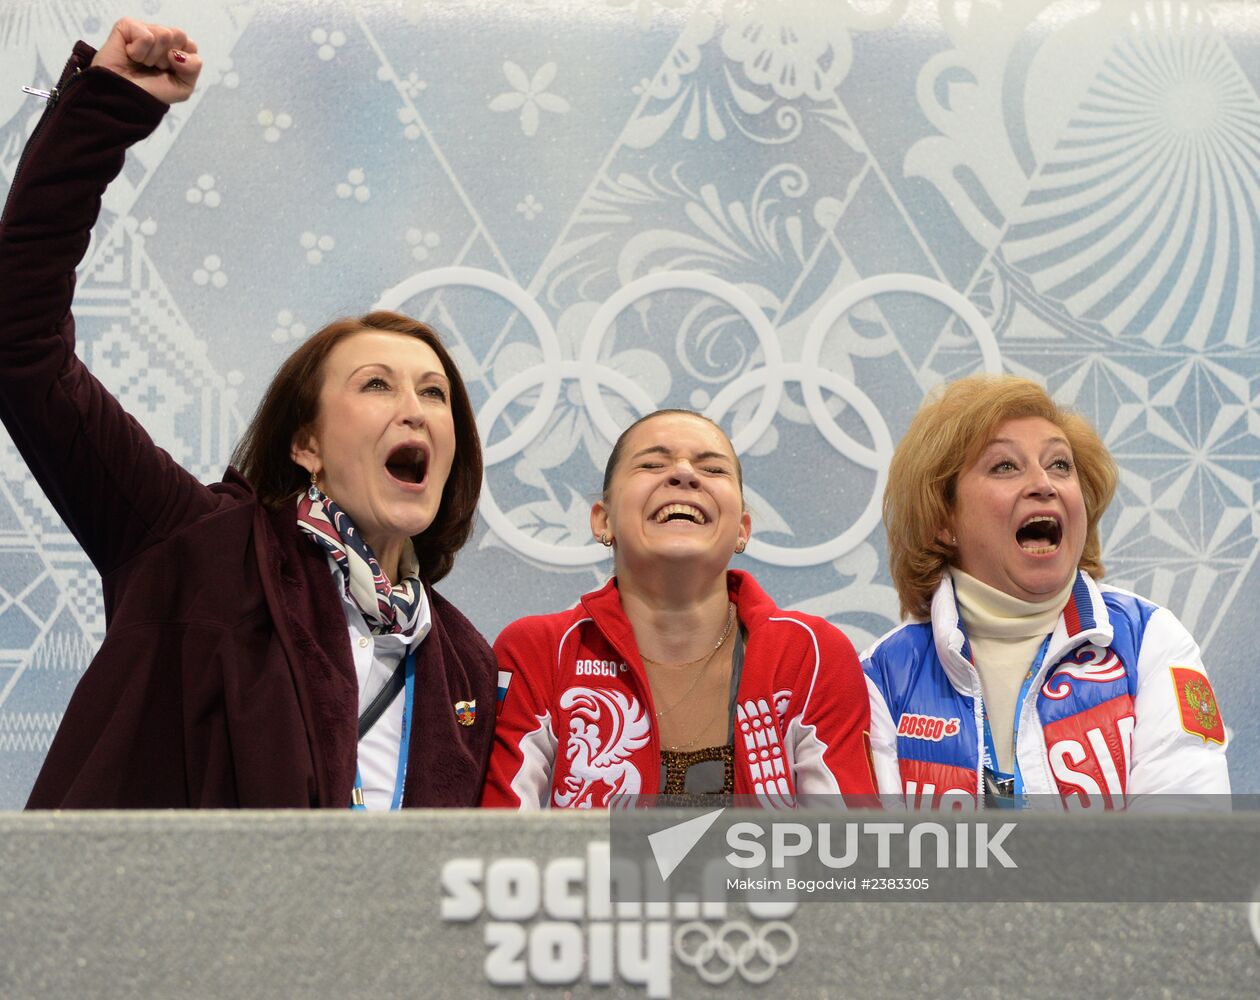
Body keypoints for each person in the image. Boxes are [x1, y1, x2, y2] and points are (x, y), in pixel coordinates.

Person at [0, 19, 496, 808]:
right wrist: (105, 111)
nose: (417, 409)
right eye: (377, 385)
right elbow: (19, 338)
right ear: (305, 444)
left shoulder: (467, 664)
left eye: (434, 394)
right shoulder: (191, 547)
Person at [863, 374, 1230, 808]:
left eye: (1060, 464)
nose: (1044, 483)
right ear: (944, 521)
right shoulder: (882, 678)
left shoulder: (1148, 639)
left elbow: (1188, 846)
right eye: (1004, 466)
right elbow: (878, 861)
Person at [482, 409, 877, 808]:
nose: (685, 475)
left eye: (713, 469)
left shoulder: (809, 655)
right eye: (653, 463)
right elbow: (499, 848)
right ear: (604, 521)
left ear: (742, 528)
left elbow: (849, 852)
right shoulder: (538, 652)